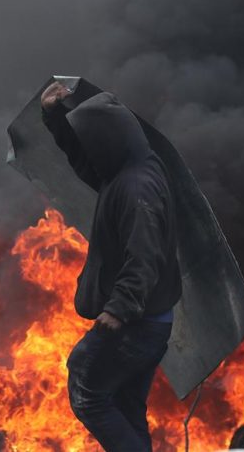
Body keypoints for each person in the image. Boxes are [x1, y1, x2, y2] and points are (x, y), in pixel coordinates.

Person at [40, 81, 183, 451]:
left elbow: (145, 254)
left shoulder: (137, 188)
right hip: (150, 320)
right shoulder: (130, 166)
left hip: (136, 324)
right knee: (125, 405)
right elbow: (87, 164)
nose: (89, 151)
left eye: (92, 142)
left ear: (107, 143)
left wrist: (119, 308)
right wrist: (55, 117)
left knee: (87, 392)